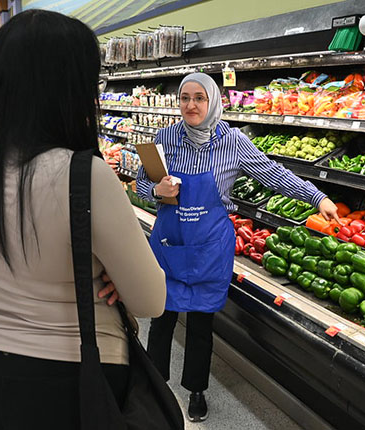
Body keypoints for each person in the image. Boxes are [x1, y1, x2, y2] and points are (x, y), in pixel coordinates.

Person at [0, 10, 166, 429]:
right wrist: (114, 275)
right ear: (67, 86)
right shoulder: (82, 174)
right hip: (76, 382)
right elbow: (151, 301)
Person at [136, 72, 340, 422]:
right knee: (162, 316)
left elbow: (272, 173)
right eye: (185, 98)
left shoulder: (233, 142)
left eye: (199, 98)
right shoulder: (165, 137)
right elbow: (142, 180)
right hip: (170, 242)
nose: (191, 105)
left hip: (208, 247)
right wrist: (156, 192)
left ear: (213, 101)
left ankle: (196, 390)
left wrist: (316, 196)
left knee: (200, 324)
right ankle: (154, 386)